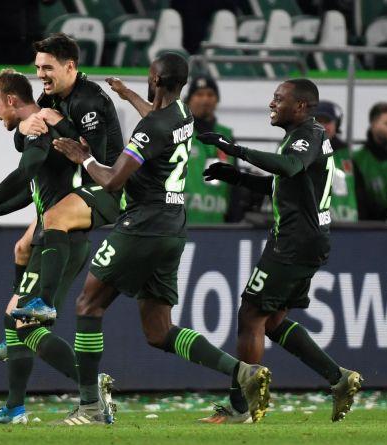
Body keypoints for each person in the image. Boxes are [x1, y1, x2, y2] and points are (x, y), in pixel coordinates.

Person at [52, 53, 271, 426]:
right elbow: (156, 119)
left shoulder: (150, 127)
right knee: (159, 330)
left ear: (154, 79)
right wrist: (128, 96)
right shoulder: (184, 114)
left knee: (89, 305)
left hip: (142, 225)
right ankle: (243, 373)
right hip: (172, 228)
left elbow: (112, 180)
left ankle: (90, 407)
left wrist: (83, 157)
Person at [199, 79, 362, 423]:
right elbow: (285, 183)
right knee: (271, 321)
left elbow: (288, 167)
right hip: (306, 239)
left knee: (250, 316)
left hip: (293, 241)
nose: (271, 104)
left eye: (278, 99)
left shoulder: (308, 134)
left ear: (301, 106)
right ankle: (338, 378)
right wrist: (238, 177)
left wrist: (235, 149)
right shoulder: (304, 136)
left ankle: (238, 406)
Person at [0, 69, 114, 425]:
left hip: (63, 240)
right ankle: (15, 408)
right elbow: (32, 189)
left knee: (26, 326)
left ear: (12, 100)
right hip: (52, 235)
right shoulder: (33, 128)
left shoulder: (39, 129)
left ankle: (90, 388)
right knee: (15, 319)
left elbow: (27, 171)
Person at [4, 33, 125, 324]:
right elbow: (26, 143)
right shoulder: (50, 98)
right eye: (37, 67)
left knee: (55, 218)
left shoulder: (89, 101)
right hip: (75, 191)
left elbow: (93, 159)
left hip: (106, 189)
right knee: (21, 247)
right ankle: (22, 303)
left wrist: (63, 125)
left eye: (47, 68)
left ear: (69, 66)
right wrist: (22, 131)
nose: (40, 75)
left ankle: (43, 303)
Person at [183, 75, 235, 224]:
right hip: (182, 225)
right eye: (199, 94)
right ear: (189, 100)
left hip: (218, 225)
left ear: (217, 100)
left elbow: (235, 186)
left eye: (210, 94)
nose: (205, 99)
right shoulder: (178, 133)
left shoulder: (227, 136)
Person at [313, 100, 358, 222]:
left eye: (327, 122)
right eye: (318, 121)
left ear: (336, 125)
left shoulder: (347, 155)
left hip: (348, 225)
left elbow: (359, 191)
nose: (322, 126)